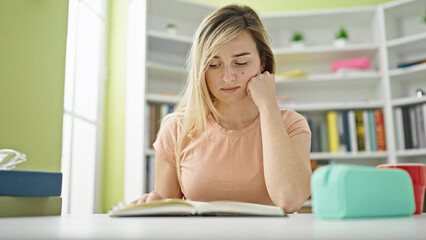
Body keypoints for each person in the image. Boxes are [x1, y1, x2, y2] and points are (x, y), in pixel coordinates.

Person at [131, 4, 312, 213]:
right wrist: (153, 205)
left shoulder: (291, 125)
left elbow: (289, 200)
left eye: (241, 63)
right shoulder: (176, 129)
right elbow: (169, 216)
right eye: (214, 65)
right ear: (201, 69)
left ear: (262, 62)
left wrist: (268, 104)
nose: (228, 77)